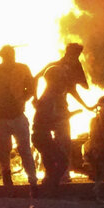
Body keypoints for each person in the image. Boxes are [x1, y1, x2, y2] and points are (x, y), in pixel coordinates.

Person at [35, 43, 95, 182]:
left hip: (61, 108)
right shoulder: (53, 67)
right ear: (69, 53)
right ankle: (50, 173)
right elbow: (36, 78)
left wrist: (86, 106)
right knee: (47, 142)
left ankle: (63, 172)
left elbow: (72, 90)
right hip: (49, 108)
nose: (77, 58)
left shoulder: (73, 69)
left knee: (64, 141)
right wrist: (35, 98)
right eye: (75, 55)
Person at [0, 45, 38, 194]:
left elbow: (31, 87)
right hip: (0, 117)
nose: (9, 58)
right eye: (6, 55)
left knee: (25, 149)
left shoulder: (22, 68)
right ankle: (7, 177)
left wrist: (22, 99)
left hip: (18, 116)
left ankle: (32, 181)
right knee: (3, 150)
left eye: (10, 55)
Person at [31, 65, 72, 194]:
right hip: (42, 136)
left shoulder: (49, 95)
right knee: (62, 161)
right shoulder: (50, 97)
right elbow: (46, 119)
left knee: (50, 165)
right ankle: (50, 188)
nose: (63, 81)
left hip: (42, 136)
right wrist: (64, 117)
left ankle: (48, 189)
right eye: (60, 78)